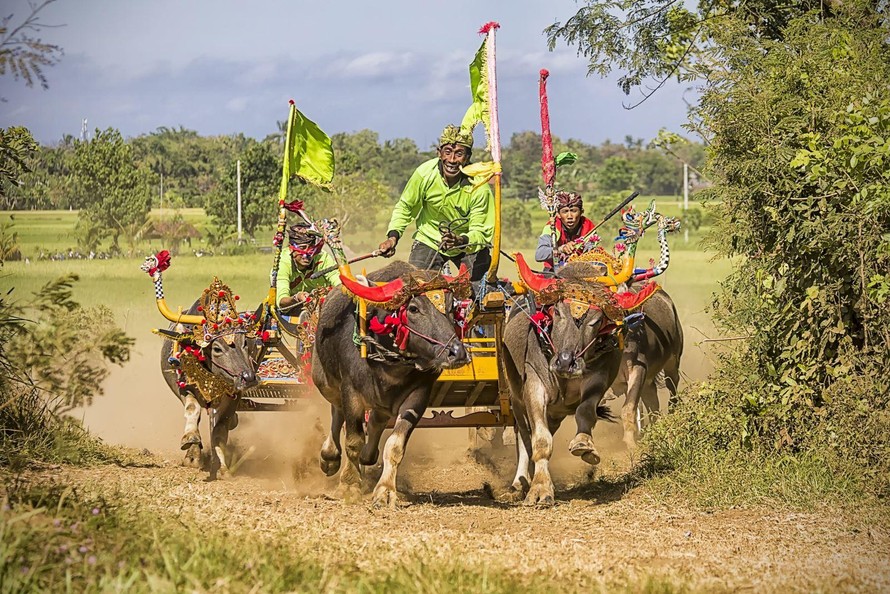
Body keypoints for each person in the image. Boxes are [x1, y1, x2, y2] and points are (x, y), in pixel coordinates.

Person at [377, 124, 495, 281]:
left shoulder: (480, 186)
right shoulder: (424, 174)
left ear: (467, 157)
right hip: (430, 240)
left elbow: (481, 233)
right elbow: (406, 207)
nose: (452, 160)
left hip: (468, 244)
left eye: (459, 154)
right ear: (439, 153)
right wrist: (393, 237)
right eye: (448, 152)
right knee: (416, 288)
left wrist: (460, 240)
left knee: (483, 290)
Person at [276, 222, 341, 314]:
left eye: (311, 249)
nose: (307, 255)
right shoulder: (283, 261)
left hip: (323, 308)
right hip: (291, 310)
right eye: (302, 248)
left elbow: (339, 283)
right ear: (291, 249)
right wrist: (296, 298)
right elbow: (281, 301)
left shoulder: (323, 258)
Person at [535, 191, 597, 271]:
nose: (569, 216)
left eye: (574, 211)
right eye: (565, 211)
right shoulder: (552, 227)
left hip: (581, 271)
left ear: (581, 212)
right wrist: (561, 249)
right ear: (558, 214)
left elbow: (592, 254)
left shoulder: (589, 227)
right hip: (553, 271)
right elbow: (539, 254)